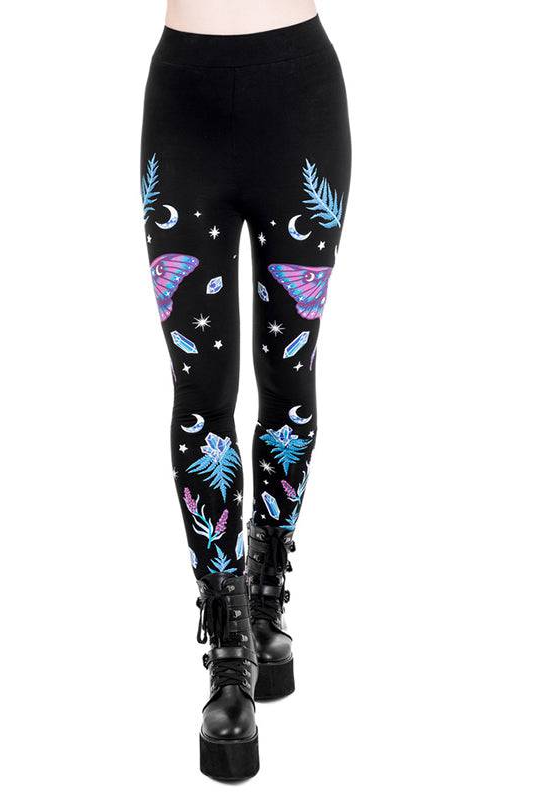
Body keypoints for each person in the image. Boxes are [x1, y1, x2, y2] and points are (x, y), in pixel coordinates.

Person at [141, 0, 351, 780]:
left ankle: (265, 595)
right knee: (200, 393)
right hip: (182, 103)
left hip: (301, 103)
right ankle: (230, 647)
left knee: (290, 376)